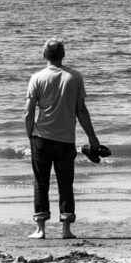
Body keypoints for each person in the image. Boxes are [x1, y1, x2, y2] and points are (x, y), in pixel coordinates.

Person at [24, 38, 100, 239]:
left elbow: (28, 111)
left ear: (44, 55)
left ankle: (40, 229)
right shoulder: (74, 77)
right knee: (66, 183)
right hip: (66, 140)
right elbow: (81, 110)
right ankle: (66, 229)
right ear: (63, 55)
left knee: (41, 182)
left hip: (41, 138)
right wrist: (92, 138)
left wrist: (30, 134)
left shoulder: (37, 78)